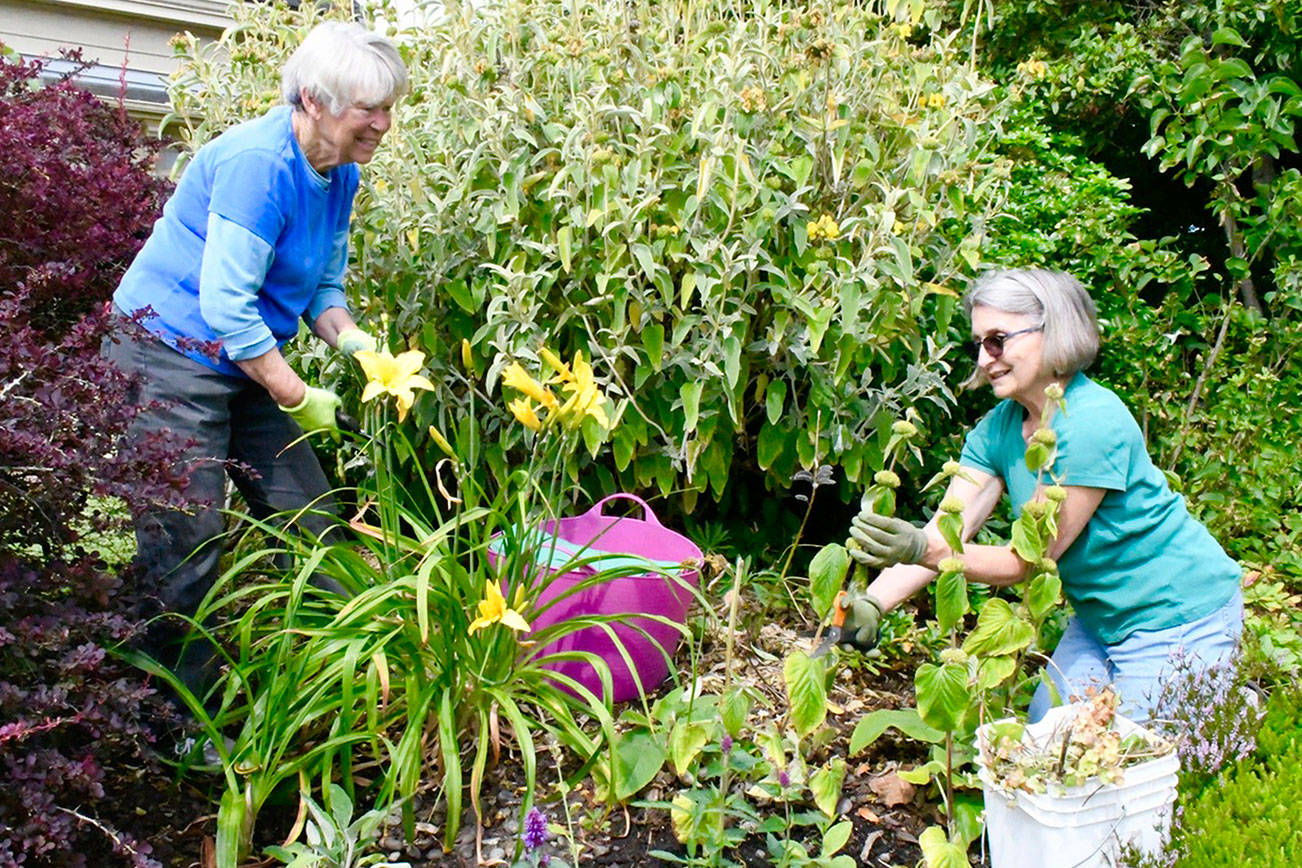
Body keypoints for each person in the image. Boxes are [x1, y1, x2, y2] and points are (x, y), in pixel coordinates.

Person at [105, 21, 408, 694]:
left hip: (241, 358)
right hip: (167, 356)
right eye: (369, 107)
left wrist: (356, 344)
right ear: (312, 100)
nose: (384, 123)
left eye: (390, 106)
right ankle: (175, 716)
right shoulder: (258, 167)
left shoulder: (338, 173)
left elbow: (320, 287)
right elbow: (228, 308)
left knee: (311, 516)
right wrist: (298, 395)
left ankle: (355, 677)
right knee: (188, 539)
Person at [833, 268, 1243, 722]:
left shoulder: (1091, 423)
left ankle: (1236, 714)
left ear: (1054, 332)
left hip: (1178, 616)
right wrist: (873, 602)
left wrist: (915, 547)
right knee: (1048, 735)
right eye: (978, 344)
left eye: (998, 339)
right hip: (1102, 620)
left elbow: (1023, 561)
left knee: (1132, 758)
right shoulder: (1001, 427)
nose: (986, 359)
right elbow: (948, 531)